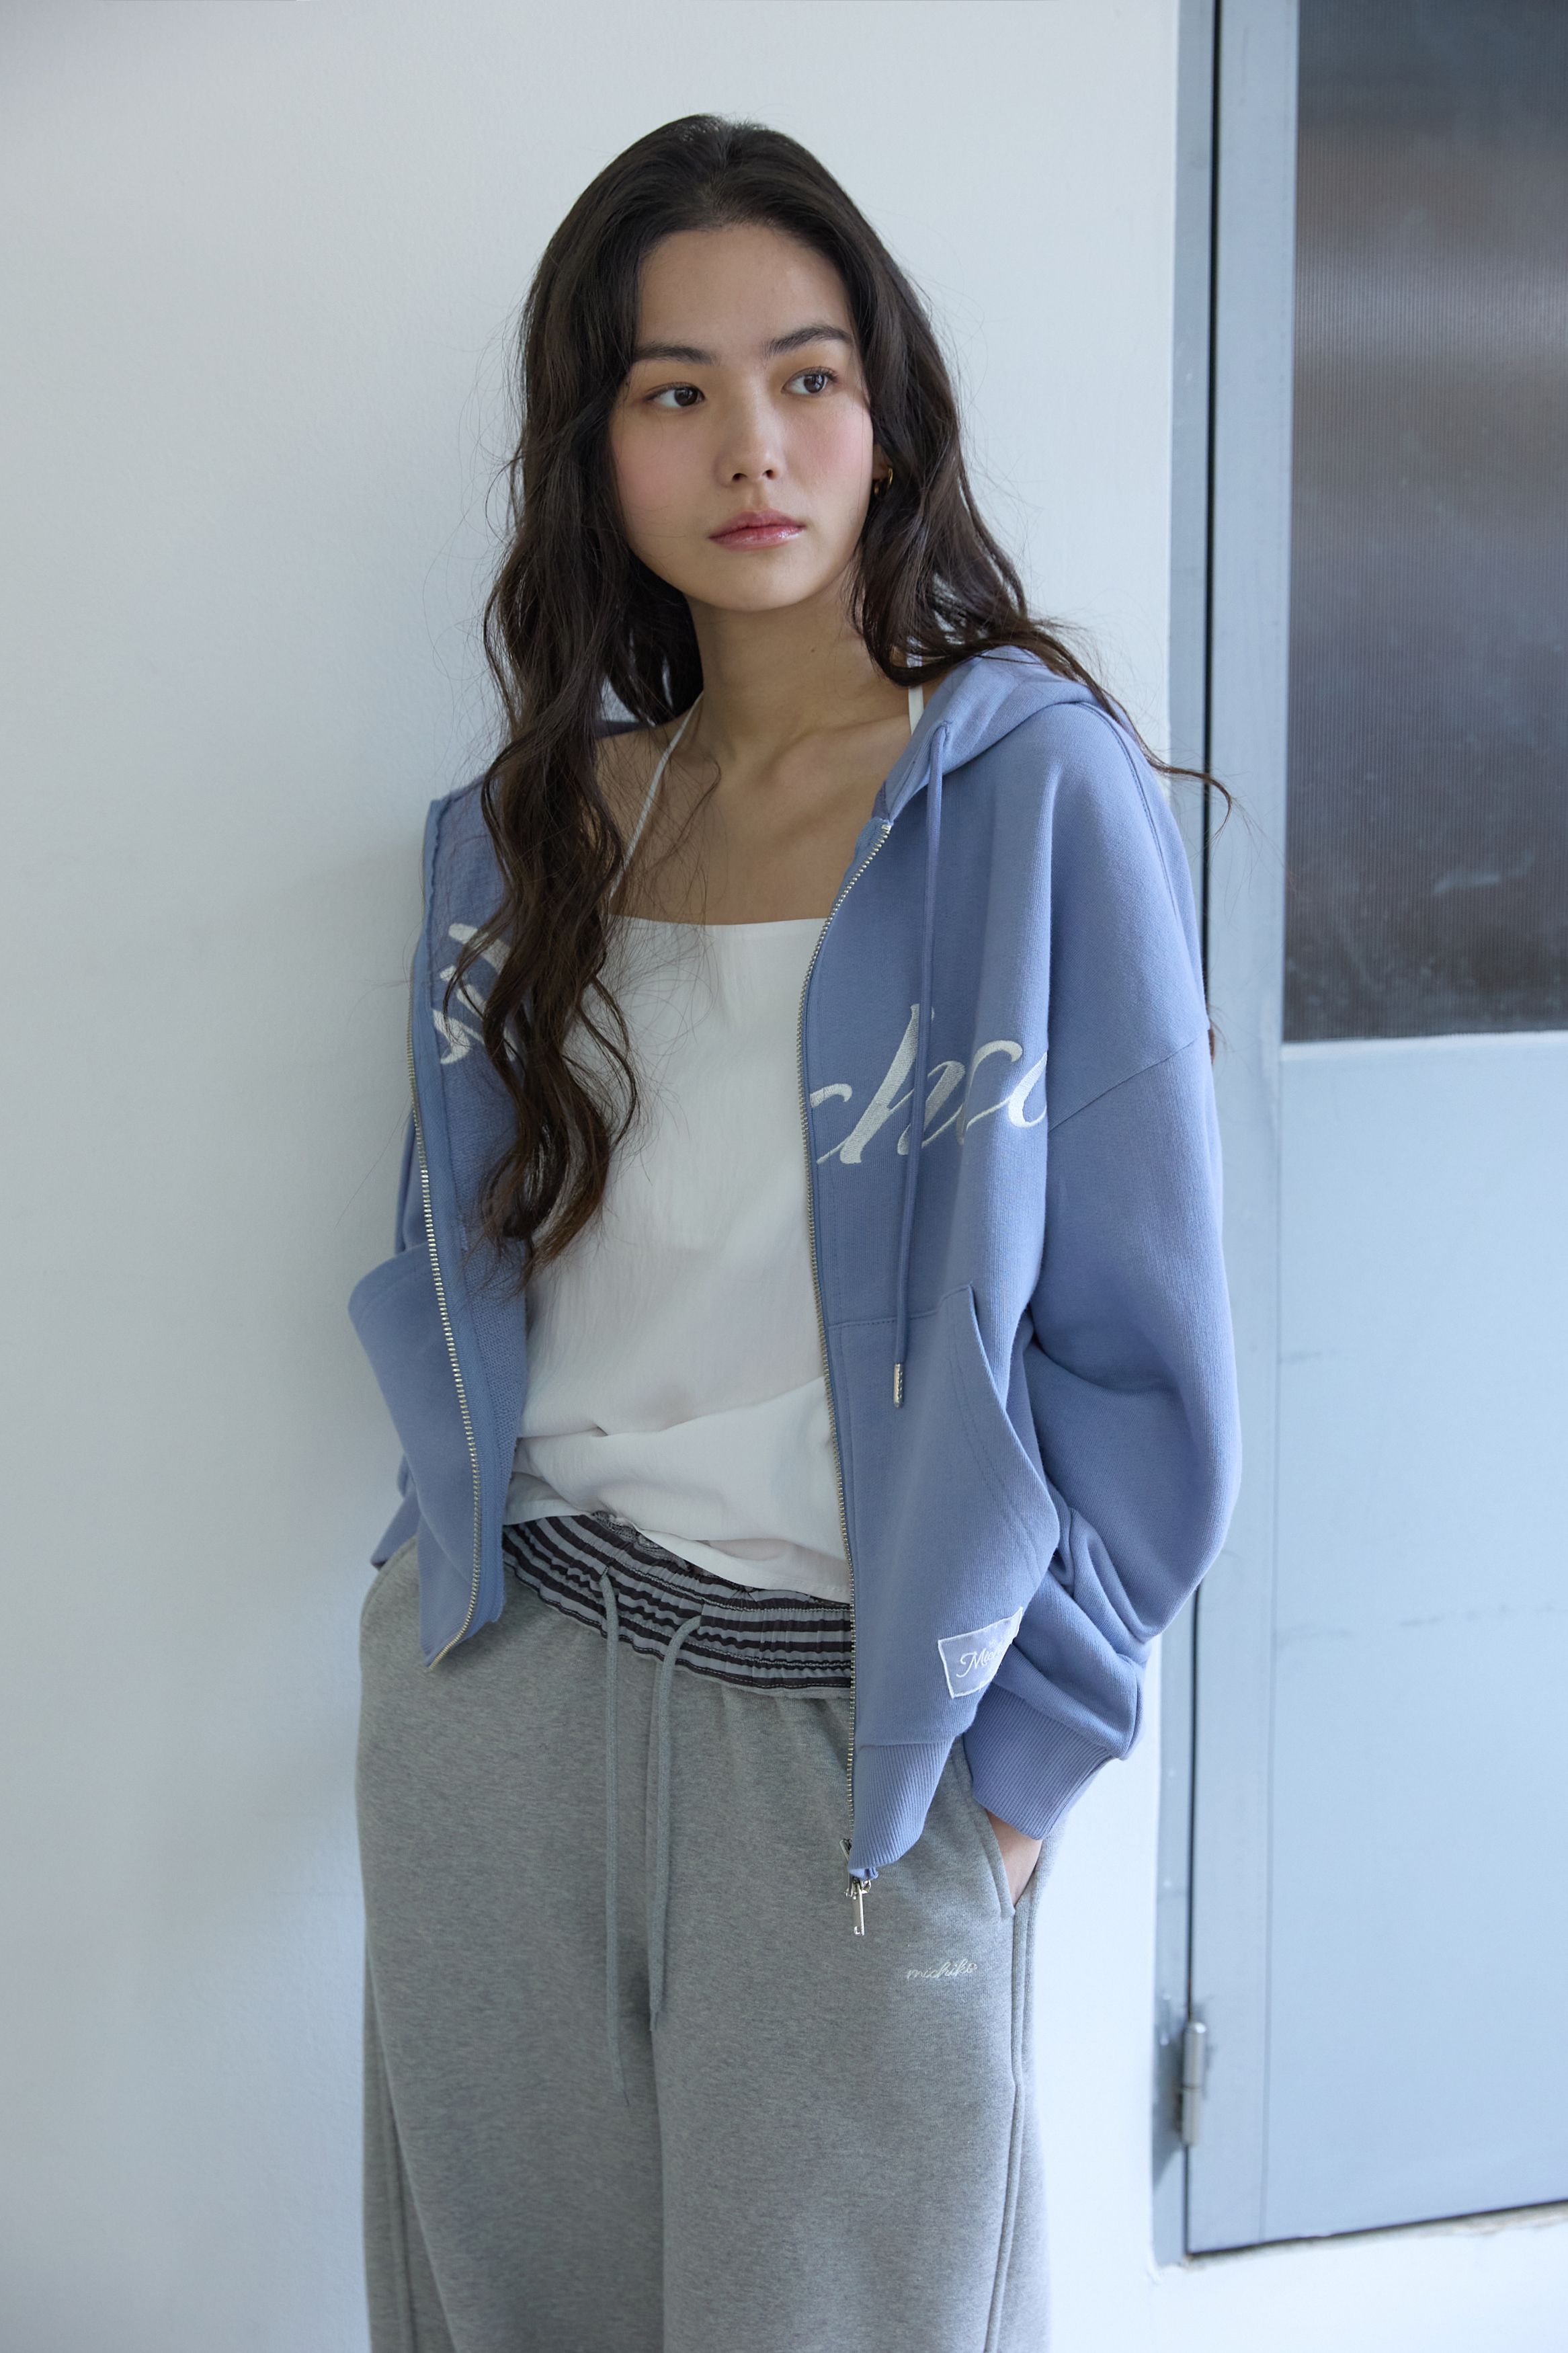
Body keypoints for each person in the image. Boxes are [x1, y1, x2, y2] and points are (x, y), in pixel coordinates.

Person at [349, 113, 1239, 2353]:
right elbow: (457, 1274)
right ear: (600, 450)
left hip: (850, 1752)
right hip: (511, 1703)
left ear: (885, 413)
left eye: (806, 374)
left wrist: (1010, 1787)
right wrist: (427, 1642)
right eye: (676, 389)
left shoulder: (1029, 797)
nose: (752, 442)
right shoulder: (522, 838)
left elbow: (1146, 1363)